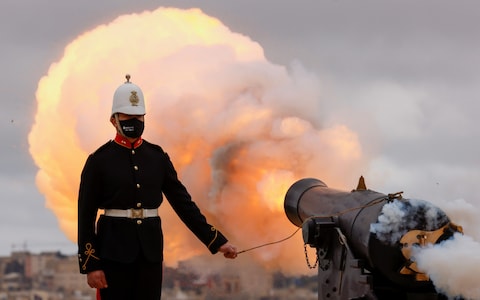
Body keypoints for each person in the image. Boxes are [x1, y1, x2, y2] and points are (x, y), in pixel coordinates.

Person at [77, 75, 238, 300]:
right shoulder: (98, 160)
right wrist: (90, 264)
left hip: (150, 254)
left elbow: (184, 204)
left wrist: (217, 241)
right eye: (128, 116)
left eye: (138, 116)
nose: (134, 121)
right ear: (114, 119)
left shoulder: (157, 157)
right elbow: (85, 216)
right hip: (113, 254)